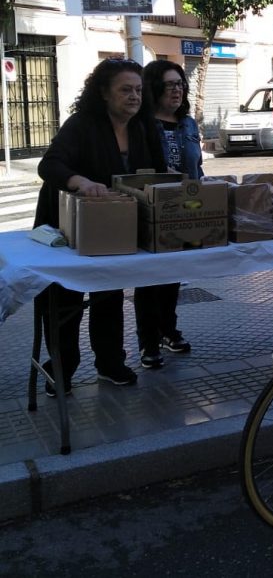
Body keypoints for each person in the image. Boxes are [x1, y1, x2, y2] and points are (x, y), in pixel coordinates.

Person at [34, 58, 166, 395]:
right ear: (104, 93)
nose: (134, 96)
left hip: (117, 226)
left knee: (109, 292)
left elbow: (159, 173)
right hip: (69, 227)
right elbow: (49, 165)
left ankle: (110, 363)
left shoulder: (144, 126)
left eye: (138, 90)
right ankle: (61, 368)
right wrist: (80, 181)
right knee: (65, 298)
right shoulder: (82, 124)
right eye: (125, 90)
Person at [131, 61, 203, 369]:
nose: (176, 90)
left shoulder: (188, 123)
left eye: (180, 84)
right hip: (150, 208)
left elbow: (196, 167)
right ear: (154, 88)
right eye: (169, 84)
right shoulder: (142, 123)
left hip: (184, 207)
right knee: (149, 276)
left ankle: (168, 331)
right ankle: (148, 341)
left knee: (173, 272)